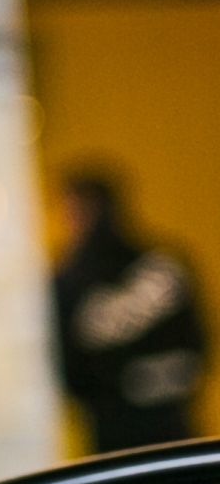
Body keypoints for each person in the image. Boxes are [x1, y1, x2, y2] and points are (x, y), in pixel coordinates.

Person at [51, 165, 207, 455]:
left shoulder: (68, 283)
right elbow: (197, 346)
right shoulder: (166, 262)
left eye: (72, 212)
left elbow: (66, 369)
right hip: (170, 427)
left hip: (118, 438)